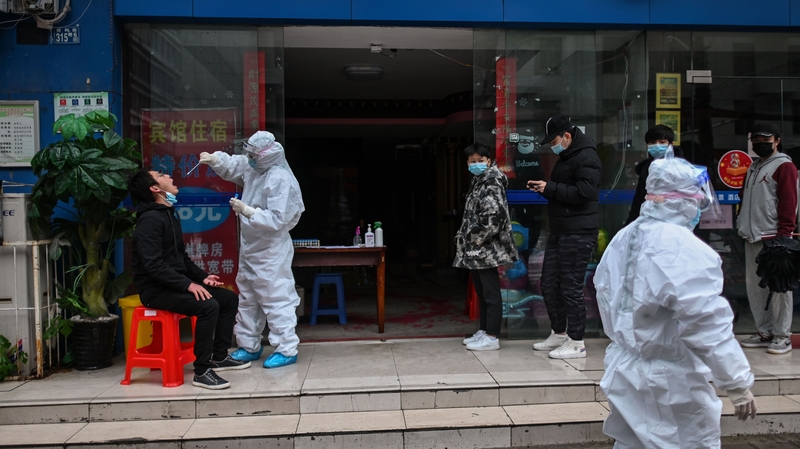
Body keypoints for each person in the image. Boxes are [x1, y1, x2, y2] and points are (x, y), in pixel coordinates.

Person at [594, 149, 757, 448]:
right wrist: (736, 382)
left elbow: (604, 294)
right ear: (681, 199)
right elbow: (706, 324)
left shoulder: (624, 237)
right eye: (697, 198)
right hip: (670, 381)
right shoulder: (684, 249)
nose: (700, 206)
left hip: (625, 370)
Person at [128, 168, 248, 390]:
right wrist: (188, 285)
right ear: (155, 189)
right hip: (155, 290)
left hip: (174, 284)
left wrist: (202, 277)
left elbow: (180, 257)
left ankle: (219, 356)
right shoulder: (150, 220)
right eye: (162, 176)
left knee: (228, 299)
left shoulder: (168, 213)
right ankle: (202, 371)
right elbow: (153, 265)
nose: (170, 177)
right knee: (208, 306)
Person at [199, 131, 305, 368]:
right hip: (250, 247)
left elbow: (278, 220)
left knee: (275, 297)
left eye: (253, 155)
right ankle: (248, 345)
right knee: (247, 298)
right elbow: (236, 165)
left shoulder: (280, 178)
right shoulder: (254, 167)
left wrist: (248, 211)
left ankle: (286, 348)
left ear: (266, 155)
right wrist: (215, 159)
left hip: (270, 250)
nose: (249, 158)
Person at [528, 114, 601, 359]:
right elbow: (565, 191)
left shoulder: (586, 156)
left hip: (579, 232)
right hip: (561, 230)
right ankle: (559, 333)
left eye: (554, 141)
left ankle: (577, 341)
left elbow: (584, 192)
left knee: (570, 287)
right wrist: (546, 189)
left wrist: (550, 188)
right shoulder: (567, 156)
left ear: (567, 136)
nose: (552, 145)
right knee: (549, 284)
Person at [737, 122, 798, 354]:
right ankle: (765, 331)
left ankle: (783, 336)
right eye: (757, 141)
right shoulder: (753, 168)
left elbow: (789, 201)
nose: (761, 144)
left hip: (774, 237)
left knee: (780, 289)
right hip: (752, 236)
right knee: (756, 288)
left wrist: (785, 235)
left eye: (766, 140)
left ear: (777, 140)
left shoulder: (784, 167)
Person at [455, 143, 519, 351]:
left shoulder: (491, 182)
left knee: (490, 292)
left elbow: (493, 219)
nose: (476, 164)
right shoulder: (478, 182)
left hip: (487, 248)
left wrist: (472, 237)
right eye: (472, 161)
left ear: (489, 161)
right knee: (482, 291)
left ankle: (492, 336)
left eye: (480, 161)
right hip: (479, 248)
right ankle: (484, 330)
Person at [624, 125, 684, 226]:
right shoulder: (646, 171)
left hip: (676, 225)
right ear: (647, 145)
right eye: (652, 143)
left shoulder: (682, 169)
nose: (657, 146)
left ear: (671, 144)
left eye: (662, 142)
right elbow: (638, 202)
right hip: (651, 225)